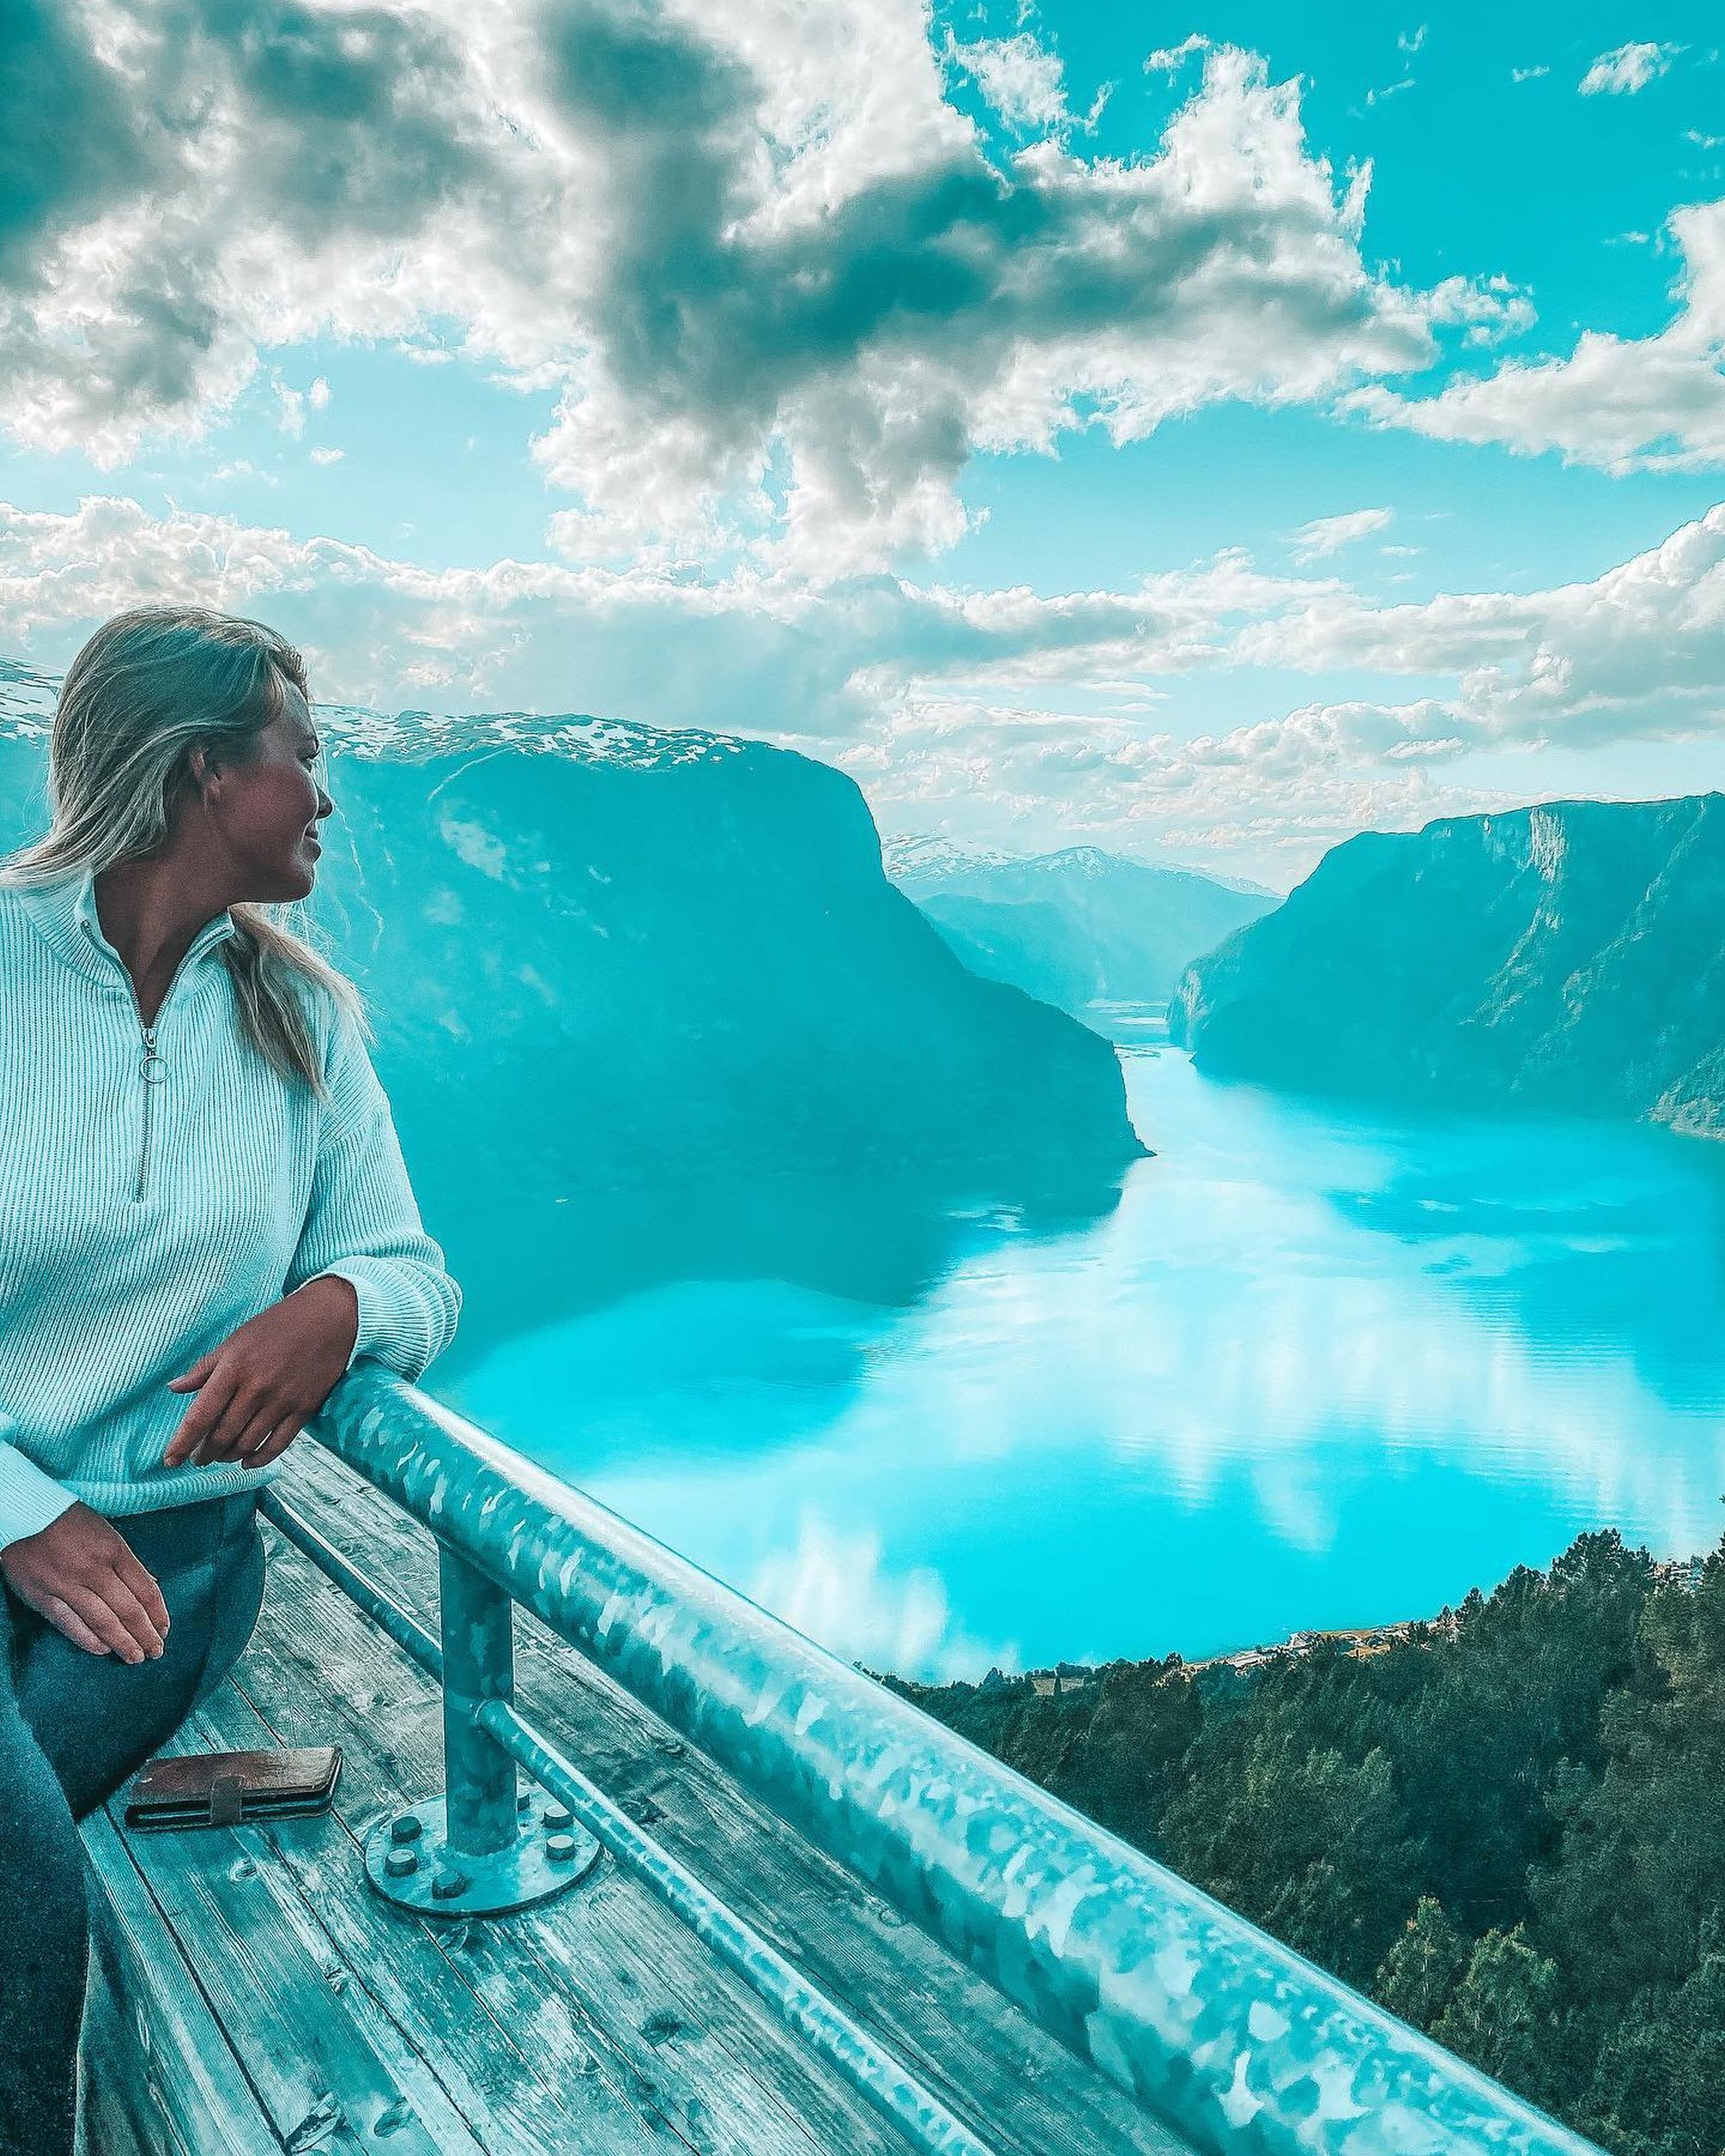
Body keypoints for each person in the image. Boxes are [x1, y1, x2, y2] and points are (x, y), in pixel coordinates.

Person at [0, 605, 462, 2154]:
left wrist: (332, 1305)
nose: (326, 795)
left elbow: (414, 1269)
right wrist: (16, 1511)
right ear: (203, 772)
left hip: (170, 1564)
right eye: (304, 757)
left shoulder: (306, 1019)